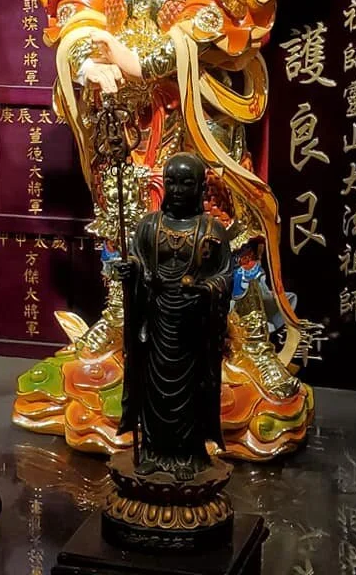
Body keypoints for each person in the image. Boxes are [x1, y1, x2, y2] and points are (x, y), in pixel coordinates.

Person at [13, 0, 329, 459]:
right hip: (117, 106)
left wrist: (145, 56)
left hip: (196, 105)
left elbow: (221, 8)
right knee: (121, 214)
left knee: (216, 222)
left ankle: (243, 341)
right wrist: (89, 53)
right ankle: (120, 326)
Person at [117, 153, 231, 480]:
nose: (178, 189)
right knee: (154, 390)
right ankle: (154, 451)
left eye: (186, 182)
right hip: (156, 320)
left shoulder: (211, 229)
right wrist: (131, 271)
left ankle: (187, 456)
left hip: (191, 326)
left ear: (200, 187)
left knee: (189, 392)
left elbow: (226, 275)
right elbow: (137, 260)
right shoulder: (149, 225)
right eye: (172, 182)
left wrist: (206, 290)